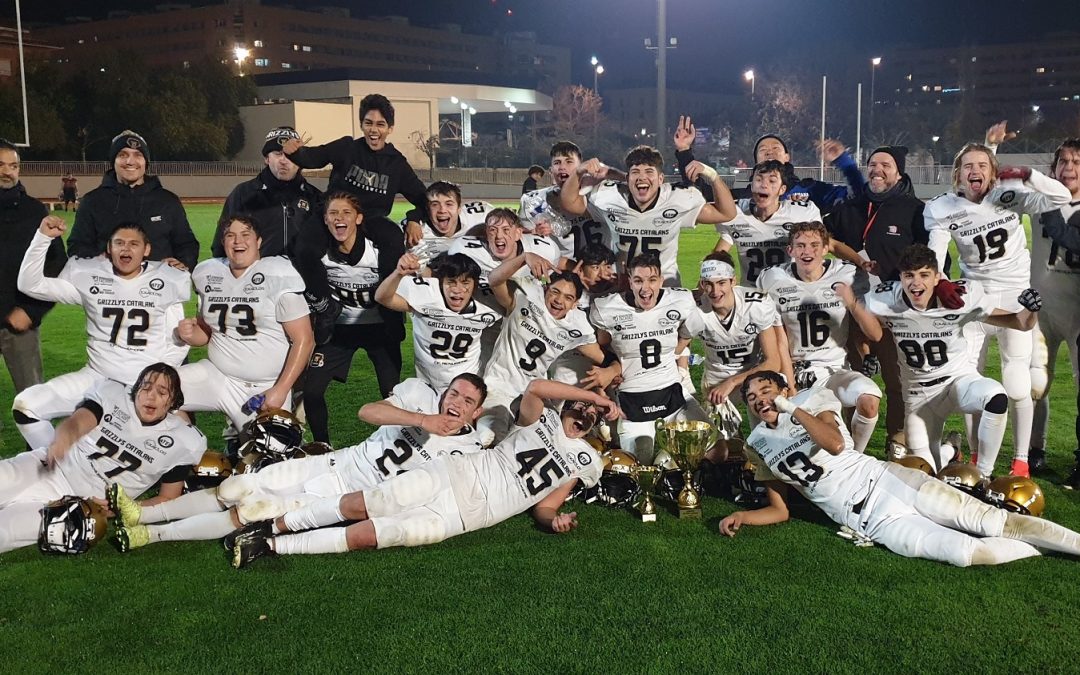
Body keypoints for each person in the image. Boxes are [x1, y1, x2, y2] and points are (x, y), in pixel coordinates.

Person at [229, 379, 617, 566]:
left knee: (378, 534)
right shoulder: (542, 418)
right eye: (582, 407)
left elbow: (545, 506)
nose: (585, 414)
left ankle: (270, 545)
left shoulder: (586, 461)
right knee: (371, 502)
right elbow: (535, 387)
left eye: (594, 414)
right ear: (571, 405)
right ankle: (277, 525)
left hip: (469, 516)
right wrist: (594, 395)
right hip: (455, 474)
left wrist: (555, 522)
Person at [718, 371, 1080, 567]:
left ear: (784, 388)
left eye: (766, 390)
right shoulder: (758, 443)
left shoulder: (812, 400)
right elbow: (780, 510)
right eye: (752, 397)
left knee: (992, 522)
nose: (759, 400)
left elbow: (835, 443)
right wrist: (742, 516)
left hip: (887, 481)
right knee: (969, 554)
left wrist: (791, 408)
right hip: (868, 521)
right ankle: (1044, 548)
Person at [110, 374, 487, 551]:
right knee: (234, 487)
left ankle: (151, 535)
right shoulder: (419, 395)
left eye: (466, 401)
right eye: (453, 393)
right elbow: (367, 411)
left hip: (345, 496)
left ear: (476, 412)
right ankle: (142, 514)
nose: (455, 403)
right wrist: (422, 421)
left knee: (249, 511)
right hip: (336, 462)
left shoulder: (467, 450)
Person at [924, 138, 1071, 476]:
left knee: (1017, 382)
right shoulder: (942, 207)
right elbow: (936, 251)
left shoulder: (1008, 195)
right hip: (975, 301)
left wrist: (1030, 175)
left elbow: (1061, 197)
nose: (975, 171)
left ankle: (1020, 461)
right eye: (968, 165)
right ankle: (977, 457)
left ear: (992, 173)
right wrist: (940, 280)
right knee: (971, 382)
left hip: (1016, 298)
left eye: (982, 165)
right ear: (957, 173)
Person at [844, 244, 1042, 476]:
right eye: (909, 275)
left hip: (957, 381)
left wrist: (1031, 310)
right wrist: (866, 353)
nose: (916, 283)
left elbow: (1018, 323)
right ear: (900, 277)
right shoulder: (885, 299)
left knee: (996, 397)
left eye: (924, 275)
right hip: (918, 396)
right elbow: (861, 331)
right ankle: (951, 450)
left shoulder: (959, 298)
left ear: (938, 277)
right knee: (927, 476)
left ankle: (983, 475)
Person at [14, 218, 190, 448]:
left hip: (142, 382)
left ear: (147, 250)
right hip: (97, 377)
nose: (125, 248)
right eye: (119, 243)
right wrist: (43, 237)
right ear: (109, 248)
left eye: (134, 244)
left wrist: (155, 383)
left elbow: (179, 341)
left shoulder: (168, 277)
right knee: (27, 406)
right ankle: (61, 471)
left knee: (181, 437)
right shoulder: (90, 275)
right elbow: (30, 285)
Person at [0, 363, 206, 554]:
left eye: (162, 392)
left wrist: (123, 509)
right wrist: (64, 437)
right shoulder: (112, 395)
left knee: (8, 529)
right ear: (135, 389)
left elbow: (167, 499)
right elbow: (79, 422)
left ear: (172, 401)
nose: (150, 396)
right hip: (52, 467)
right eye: (146, 387)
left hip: (82, 505)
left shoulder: (183, 441)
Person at [283, 94, 424, 344]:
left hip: (370, 220)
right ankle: (325, 307)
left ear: (390, 129)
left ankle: (389, 310)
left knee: (392, 237)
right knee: (303, 247)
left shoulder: (396, 164)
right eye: (368, 122)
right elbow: (313, 158)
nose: (374, 130)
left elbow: (422, 197)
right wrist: (295, 152)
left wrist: (414, 217)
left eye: (380, 124)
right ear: (361, 124)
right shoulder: (347, 147)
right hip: (335, 215)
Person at [823, 145, 930, 445]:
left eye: (885, 164)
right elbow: (821, 238)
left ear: (899, 172)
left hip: (895, 308)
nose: (877, 169)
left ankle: (897, 439)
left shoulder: (914, 210)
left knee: (898, 381)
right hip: (851, 306)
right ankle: (845, 441)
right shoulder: (852, 207)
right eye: (872, 164)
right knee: (850, 377)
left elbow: (931, 259)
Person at [178, 216, 314, 433]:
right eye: (230, 236)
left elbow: (304, 339)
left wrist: (280, 390)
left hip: (265, 387)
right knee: (156, 391)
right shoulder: (209, 274)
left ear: (258, 241)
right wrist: (189, 334)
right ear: (223, 243)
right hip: (218, 378)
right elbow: (206, 333)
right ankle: (188, 450)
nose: (237, 241)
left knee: (269, 459)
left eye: (245, 235)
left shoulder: (276, 272)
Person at [757, 222, 881, 454]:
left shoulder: (846, 274)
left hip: (833, 369)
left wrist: (852, 304)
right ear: (790, 250)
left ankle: (856, 456)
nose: (808, 251)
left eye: (815, 245)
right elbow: (779, 337)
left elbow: (871, 332)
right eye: (801, 245)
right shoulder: (773, 279)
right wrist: (789, 381)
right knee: (789, 438)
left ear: (826, 248)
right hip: (791, 370)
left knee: (869, 399)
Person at [587, 252, 708, 462]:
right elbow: (602, 347)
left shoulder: (679, 300)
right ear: (629, 282)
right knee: (639, 463)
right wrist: (614, 369)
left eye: (652, 280)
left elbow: (687, 334)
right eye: (638, 280)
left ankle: (670, 456)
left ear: (661, 280)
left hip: (673, 395)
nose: (645, 288)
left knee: (715, 451)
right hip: (633, 400)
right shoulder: (607, 308)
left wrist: (674, 355)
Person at [560, 145, 737, 286]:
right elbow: (570, 203)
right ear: (627, 178)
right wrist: (578, 172)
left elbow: (726, 212)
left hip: (664, 287)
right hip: (622, 285)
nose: (641, 178)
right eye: (636, 172)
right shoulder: (610, 197)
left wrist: (712, 175)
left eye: (649, 172)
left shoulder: (678, 198)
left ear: (661, 179)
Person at [303, 192, 402, 444]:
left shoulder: (377, 249)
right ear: (325, 219)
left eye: (346, 213)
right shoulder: (319, 251)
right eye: (333, 213)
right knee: (312, 391)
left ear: (358, 218)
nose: (339, 218)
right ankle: (321, 446)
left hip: (380, 329)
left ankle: (395, 444)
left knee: (392, 393)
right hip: (340, 329)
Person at [480, 258, 604, 444]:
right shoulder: (525, 297)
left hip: (533, 396)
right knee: (489, 437)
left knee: (544, 445)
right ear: (546, 289)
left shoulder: (577, 326)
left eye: (568, 297)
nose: (559, 301)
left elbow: (601, 357)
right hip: (499, 387)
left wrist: (611, 372)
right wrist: (524, 257)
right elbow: (494, 279)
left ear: (575, 303)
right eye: (555, 291)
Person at [67, 130, 199, 271]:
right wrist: (100, 262)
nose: (130, 161)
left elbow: (186, 244)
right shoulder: (92, 201)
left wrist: (184, 263)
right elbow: (77, 246)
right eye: (122, 155)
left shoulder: (168, 201)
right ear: (113, 161)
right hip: (108, 288)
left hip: (157, 288)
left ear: (146, 162)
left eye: (138, 155)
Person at [673, 117, 863, 215]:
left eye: (776, 148)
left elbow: (857, 195)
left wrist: (843, 161)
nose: (769, 151)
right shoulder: (746, 197)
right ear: (756, 161)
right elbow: (700, 196)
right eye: (763, 149)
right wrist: (684, 151)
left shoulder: (811, 189)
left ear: (787, 157)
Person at [1029, 139, 1080, 481]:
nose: (1069, 168)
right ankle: (1034, 450)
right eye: (1063, 161)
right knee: (1034, 382)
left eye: (1077, 161)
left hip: (1078, 311)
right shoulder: (1038, 202)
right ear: (1053, 168)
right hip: (1040, 308)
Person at [375, 252, 500, 391]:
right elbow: (383, 298)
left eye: (465, 283)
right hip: (428, 385)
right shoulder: (427, 295)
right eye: (451, 282)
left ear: (475, 286)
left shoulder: (488, 305)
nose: (457, 290)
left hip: (466, 385)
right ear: (440, 283)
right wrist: (398, 273)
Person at [0, 140, 66, 398]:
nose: (8, 171)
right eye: (1, 165)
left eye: (13, 165)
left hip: (19, 325)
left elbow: (56, 265)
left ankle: (38, 442)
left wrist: (31, 310)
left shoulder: (34, 211)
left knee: (33, 404)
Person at [213, 126, 323, 258]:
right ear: (267, 159)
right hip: (256, 276)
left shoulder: (315, 197)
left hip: (302, 276)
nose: (283, 160)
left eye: (291, 155)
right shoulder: (243, 193)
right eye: (277, 153)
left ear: (300, 160)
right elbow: (222, 241)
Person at [688, 252, 781, 408]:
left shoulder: (756, 304)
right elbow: (677, 347)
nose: (715, 291)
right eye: (708, 283)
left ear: (733, 281)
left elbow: (773, 362)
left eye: (721, 282)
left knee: (769, 425)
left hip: (756, 375)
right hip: (716, 377)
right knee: (716, 431)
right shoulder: (692, 307)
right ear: (702, 284)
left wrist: (732, 382)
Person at [714, 160, 822, 285]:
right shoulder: (735, 214)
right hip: (752, 297)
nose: (764, 185)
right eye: (759, 180)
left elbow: (826, 247)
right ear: (751, 185)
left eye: (772, 181)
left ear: (782, 189)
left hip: (790, 294)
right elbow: (720, 254)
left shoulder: (801, 213)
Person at [520, 141, 606, 260]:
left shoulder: (600, 195)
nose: (562, 167)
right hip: (561, 270)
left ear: (581, 167)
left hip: (599, 269)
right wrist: (535, 232)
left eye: (569, 161)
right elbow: (520, 236)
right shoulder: (536, 202)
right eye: (557, 162)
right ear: (551, 170)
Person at [406, 181, 493, 265]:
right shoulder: (414, 231)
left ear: (459, 208)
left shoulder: (483, 215)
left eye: (449, 204)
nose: (442, 210)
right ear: (427, 209)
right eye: (435, 205)